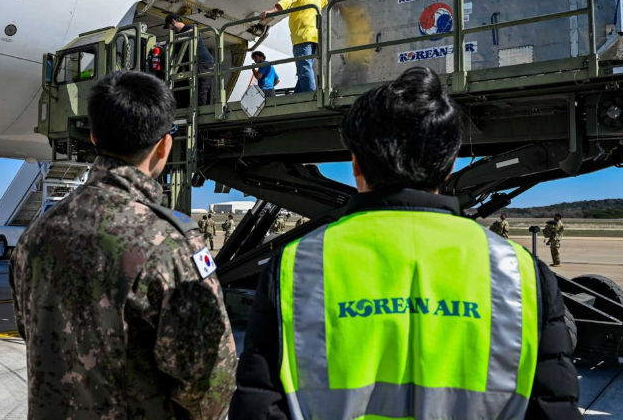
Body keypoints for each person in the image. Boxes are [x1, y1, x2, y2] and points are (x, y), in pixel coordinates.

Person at [230, 67, 580, 420]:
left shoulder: (295, 267)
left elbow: (259, 409)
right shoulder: (520, 273)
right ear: (449, 165)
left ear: (355, 165)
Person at [8, 71, 236, 419]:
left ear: (93, 137)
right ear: (164, 146)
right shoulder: (169, 242)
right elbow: (209, 385)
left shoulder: (35, 234)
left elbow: (32, 332)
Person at [259, 0, 328, 93]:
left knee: (304, 67)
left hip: (302, 35)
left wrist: (271, 11)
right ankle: (297, 95)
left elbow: (286, 1)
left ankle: (310, 95)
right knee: (304, 68)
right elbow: (325, 2)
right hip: (315, 36)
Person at [164, 14, 215, 107]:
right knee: (193, 88)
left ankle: (200, 109)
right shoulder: (177, 37)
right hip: (193, 64)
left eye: (169, 26)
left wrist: (180, 38)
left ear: (173, 21)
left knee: (202, 87)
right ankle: (193, 106)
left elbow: (195, 30)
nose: (170, 29)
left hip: (203, 62)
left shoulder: (188, 27)